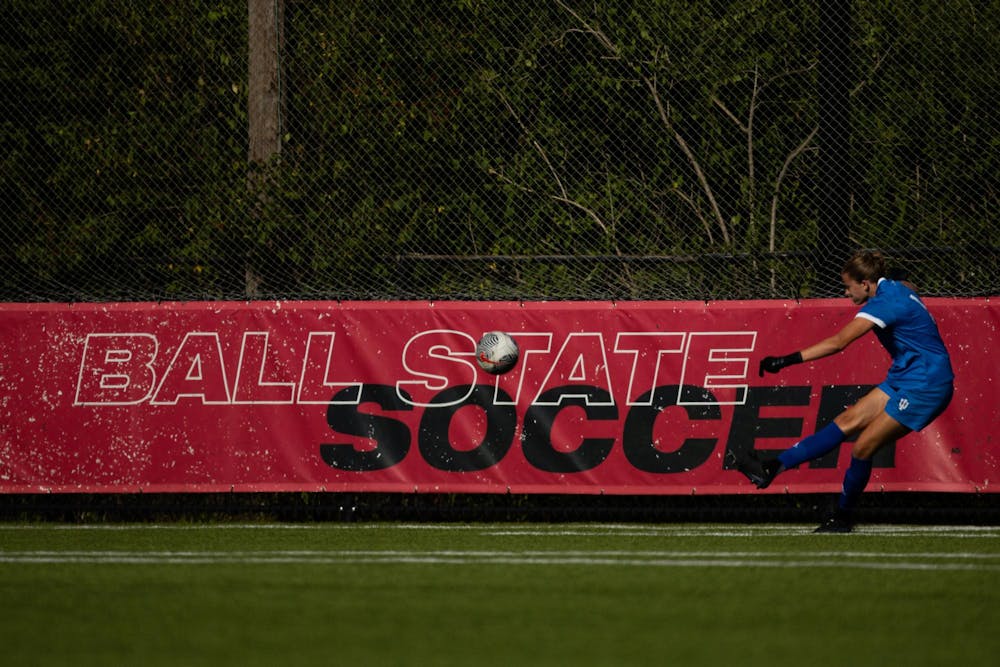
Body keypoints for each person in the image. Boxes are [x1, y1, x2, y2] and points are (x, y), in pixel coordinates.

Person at [730, 250, 955, 533]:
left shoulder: (883, 304)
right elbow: (910, 286)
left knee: (863, 447)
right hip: (906, 376)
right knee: (847, 422)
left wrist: (785, 361)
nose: (846, 292)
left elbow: (838, 343)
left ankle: (843, 517)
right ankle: (772, 468)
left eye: (849, 286)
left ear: (865, 283)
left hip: (927, 384)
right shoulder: (895, 289)